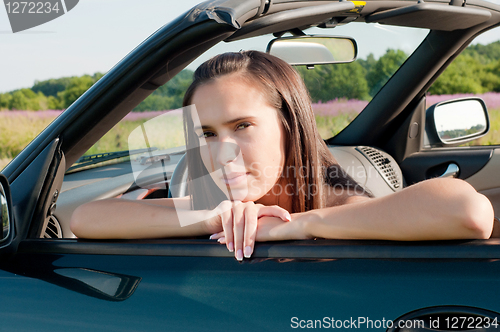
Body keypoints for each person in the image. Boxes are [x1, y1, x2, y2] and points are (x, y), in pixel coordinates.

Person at [71, 51, 494, 261]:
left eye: (242, 126)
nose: (222, 152)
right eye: (206, 133)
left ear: (290, 124)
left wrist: (297, 226)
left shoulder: (339, 204)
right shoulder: (221, 208)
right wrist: (216, 217)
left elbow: (469, 211)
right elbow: (85, 219)